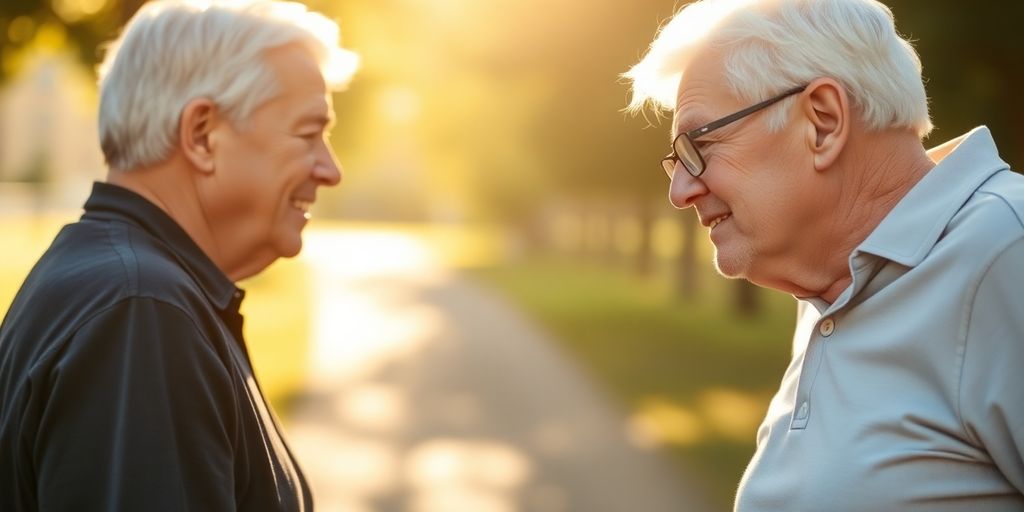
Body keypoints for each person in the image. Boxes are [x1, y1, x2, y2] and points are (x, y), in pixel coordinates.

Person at [624, 0, 1023, 509]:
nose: (680, 191)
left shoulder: (1006, 250)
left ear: (824, 121)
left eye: (700, 144)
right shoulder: (829, 293)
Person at [0, 0, 357, 509]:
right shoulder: (142, 315)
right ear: (202, 135)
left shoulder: (128, 291)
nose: (331, 169)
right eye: (308, 134)